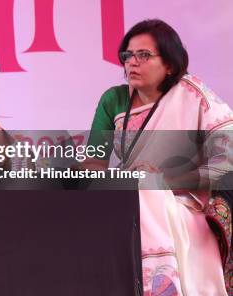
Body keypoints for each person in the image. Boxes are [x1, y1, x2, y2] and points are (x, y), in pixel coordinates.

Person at [88, 19, 233, 295]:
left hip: (184, 202)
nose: (132, 62)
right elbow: (94, 162)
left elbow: (227, 160)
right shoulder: (114, 100)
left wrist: (163, 181)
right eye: (127, 55)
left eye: (143, 55)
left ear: (169, 65)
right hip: (129, 198)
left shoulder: (193, 95)